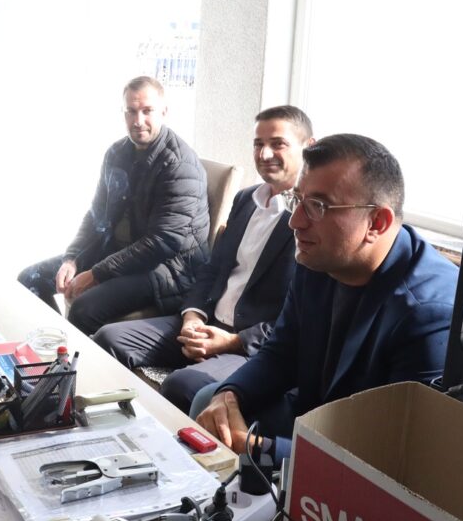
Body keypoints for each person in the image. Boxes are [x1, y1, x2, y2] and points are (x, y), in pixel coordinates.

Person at [194, 133, 457, 463]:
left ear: (377, 222)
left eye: (317, 206)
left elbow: (393, 457)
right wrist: (230, 395)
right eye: (297, 199)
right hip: (313, 415)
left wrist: (262, 449)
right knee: (210, 401)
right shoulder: (318, 259)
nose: (295, 222)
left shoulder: (430, 314)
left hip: (365, 452)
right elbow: (281, 352)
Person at [93, 106, 314, 411]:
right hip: (206, 322)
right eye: (258, 144)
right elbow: (213, 268)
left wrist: (233, 341)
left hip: (249, 347)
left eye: (278, 144)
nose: (264, 154)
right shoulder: (246, 200)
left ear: (308, 146)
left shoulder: (310, 220)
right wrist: (192, 317)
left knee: (183, 384)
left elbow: (301, 316)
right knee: (108, 338)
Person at [17, 76, 209, 334]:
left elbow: (163, 242)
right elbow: (97, 215)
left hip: (168, 269)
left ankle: (79, 356)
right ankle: (54, 346)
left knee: (83, 308)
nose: (138, 120)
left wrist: (97, 273)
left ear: (164, 112)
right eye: (131, 111)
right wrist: (72, 258)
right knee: (30, 279)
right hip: (120, 254)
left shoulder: (179, 165)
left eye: (147, 111)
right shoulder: (117, 153)